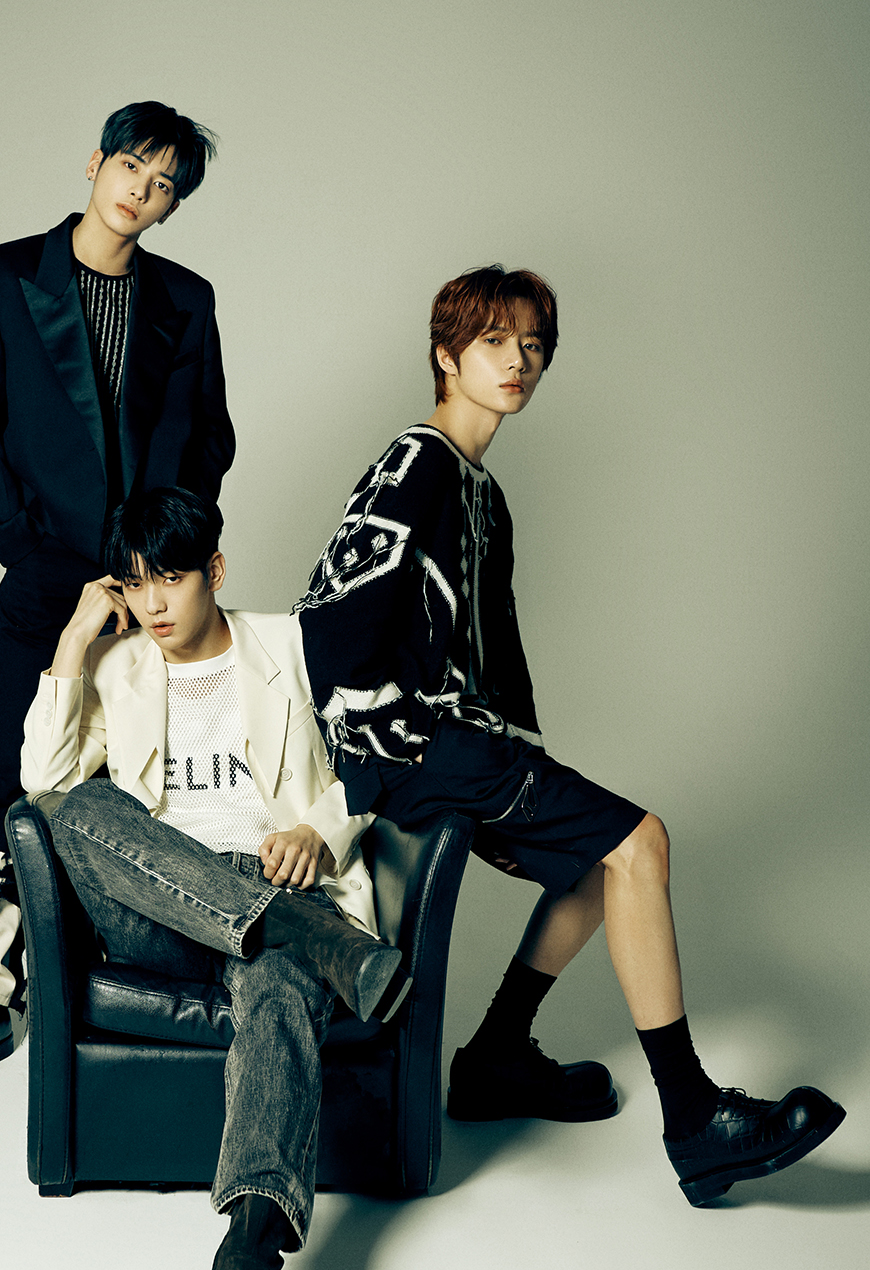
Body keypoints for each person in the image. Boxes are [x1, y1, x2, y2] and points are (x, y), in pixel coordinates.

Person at [295, 265, 845, 1206]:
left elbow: (493, 655)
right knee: (642, 843)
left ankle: (497, 1056)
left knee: (596, 865)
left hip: (464, 745)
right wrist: (392, 746)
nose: (518, 361)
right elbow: (328, 617)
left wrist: (521, 756)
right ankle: (693, 1118)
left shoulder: (482, 490)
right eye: (494, 342)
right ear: (446, 356)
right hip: (420, 751)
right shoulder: (418, 462)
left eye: (533, 346)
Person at [19, 486, 404, 1270]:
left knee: (277, 987)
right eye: (135, 584)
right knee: (77, 809)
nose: (154, 604)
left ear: (215, 571)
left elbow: (377, 759)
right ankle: (307, 935)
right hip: (164, 916)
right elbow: (42, 782)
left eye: (173, 579)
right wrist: (74, 641)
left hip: (277, 877)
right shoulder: (116, 665)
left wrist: (319, 832)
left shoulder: (290, 646)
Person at [0, 101, 235, 1101]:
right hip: (46, 572)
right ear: (95, 163)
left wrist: (161, 563)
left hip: (153, 584)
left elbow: (207, 441)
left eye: (165, 183)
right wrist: (37, 558)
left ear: (173, 204)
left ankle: (94, 952)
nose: (144, 190)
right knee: (10, 772)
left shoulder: (186, 298)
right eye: (134, 166)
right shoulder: (3, 278)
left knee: (144, 775)